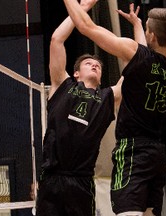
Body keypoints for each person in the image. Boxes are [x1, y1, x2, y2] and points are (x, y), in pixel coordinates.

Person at [62, 0, 166, 215]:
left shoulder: (138, 56)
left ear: (151, 35)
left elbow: (86, 26)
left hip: (132, 151)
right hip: (156, 154)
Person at [35, 0, 144, 215]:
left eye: (98, 66)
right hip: (52, 179)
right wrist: (81, 9)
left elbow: (141, 65)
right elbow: (57, 39)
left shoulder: (108, 97)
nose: (94, 64)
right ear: (76, 73)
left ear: (102, 77)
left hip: (81, 182)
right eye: (88, 63)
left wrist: (138, 26)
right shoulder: (61, 84)